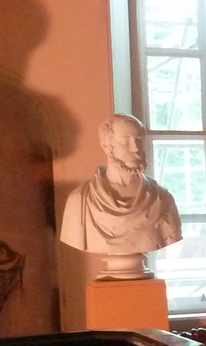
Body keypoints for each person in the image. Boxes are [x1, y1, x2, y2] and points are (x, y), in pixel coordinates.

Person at [60, 114, 181, 267]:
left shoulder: (162, 199)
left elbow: (171, 236)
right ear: (106, 145)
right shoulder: (79, 201)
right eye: (125, 141)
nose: (135, 148)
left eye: (138, 140)